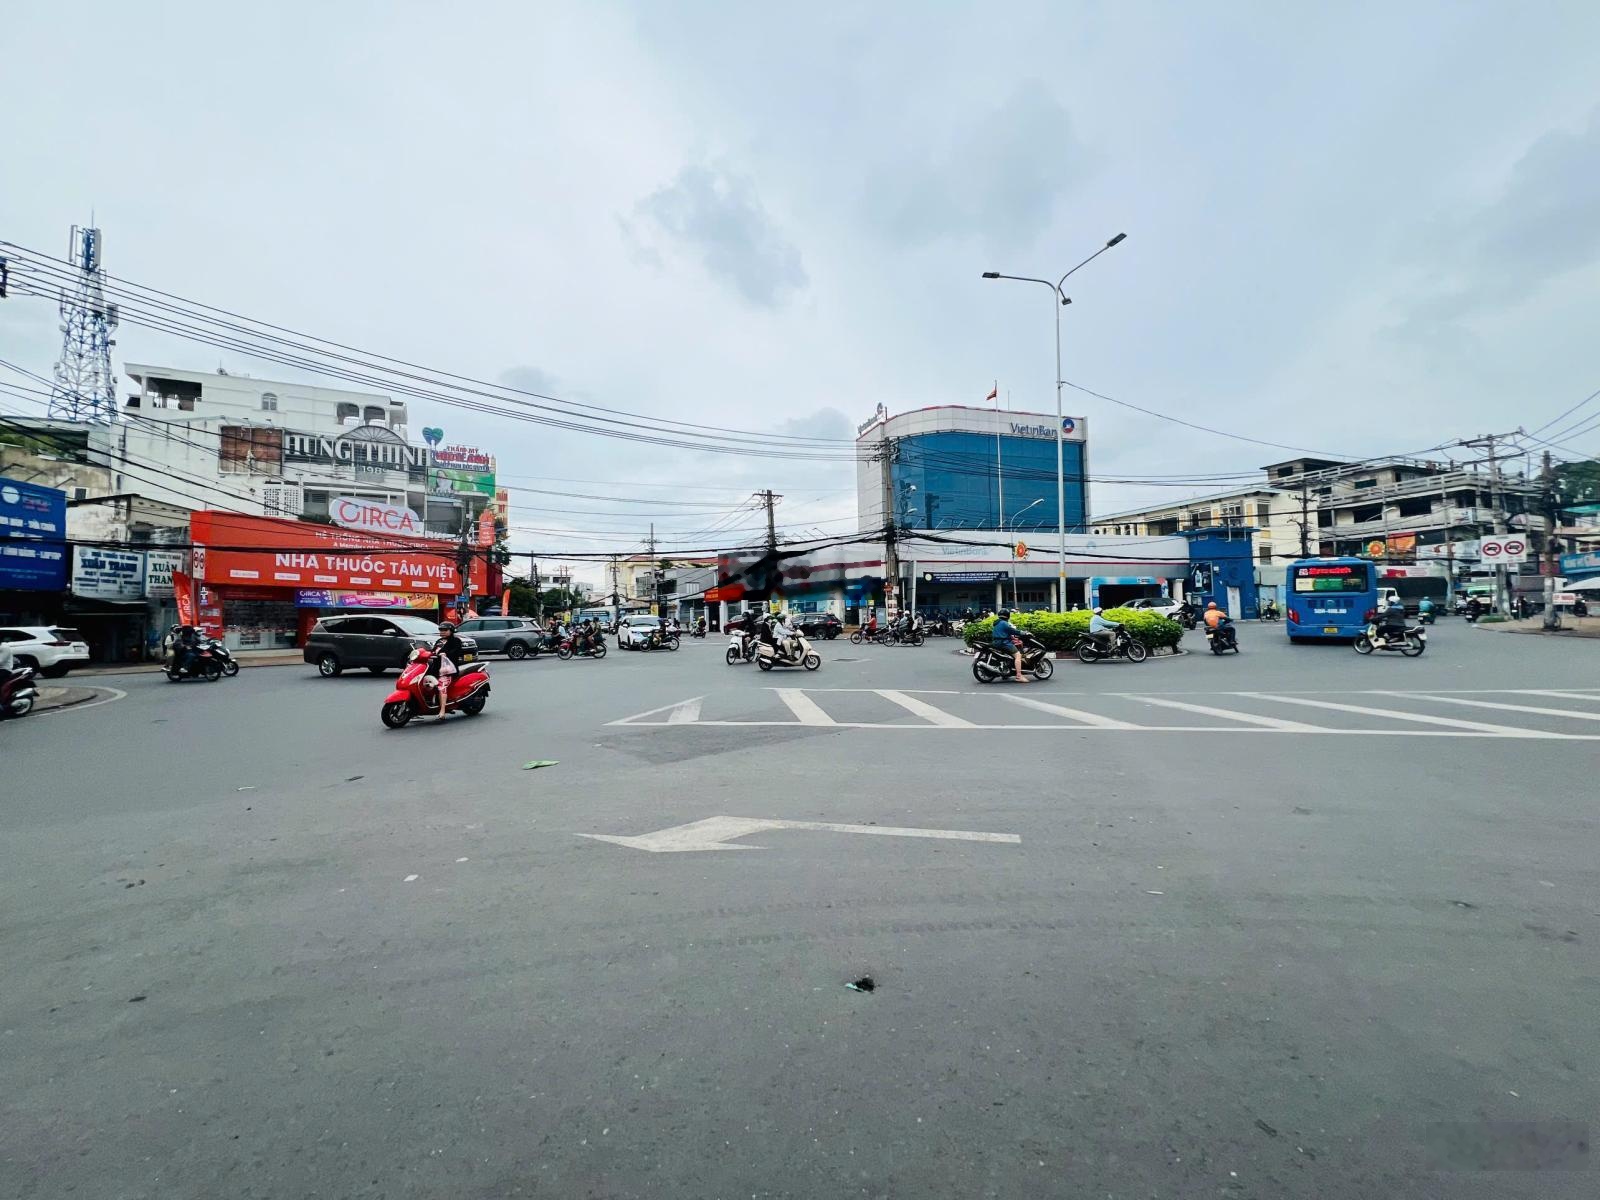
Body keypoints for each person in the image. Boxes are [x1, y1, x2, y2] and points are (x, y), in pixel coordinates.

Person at [428, 621, 467, 717]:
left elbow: (456, 652)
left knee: (442, 686)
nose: (442, 632)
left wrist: (446, 654)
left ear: (451, 631)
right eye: (441, 630)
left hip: (447, 671)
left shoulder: (456, 641)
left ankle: (442, 711)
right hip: (435, 669)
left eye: (445, 630)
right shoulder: (439, 641)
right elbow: (433, 651)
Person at [990, 608, 1027, 683]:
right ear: (1008, 616)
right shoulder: (1004, 623)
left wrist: (1011, 636)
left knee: (1006, 657)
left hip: (996, 642)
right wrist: (1022, 632)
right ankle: (1019, 676)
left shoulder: (996, 623)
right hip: (1004, 643)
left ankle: (1005, 673)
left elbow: (1004, 632)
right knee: (1018, 655)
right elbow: (1012, 631)